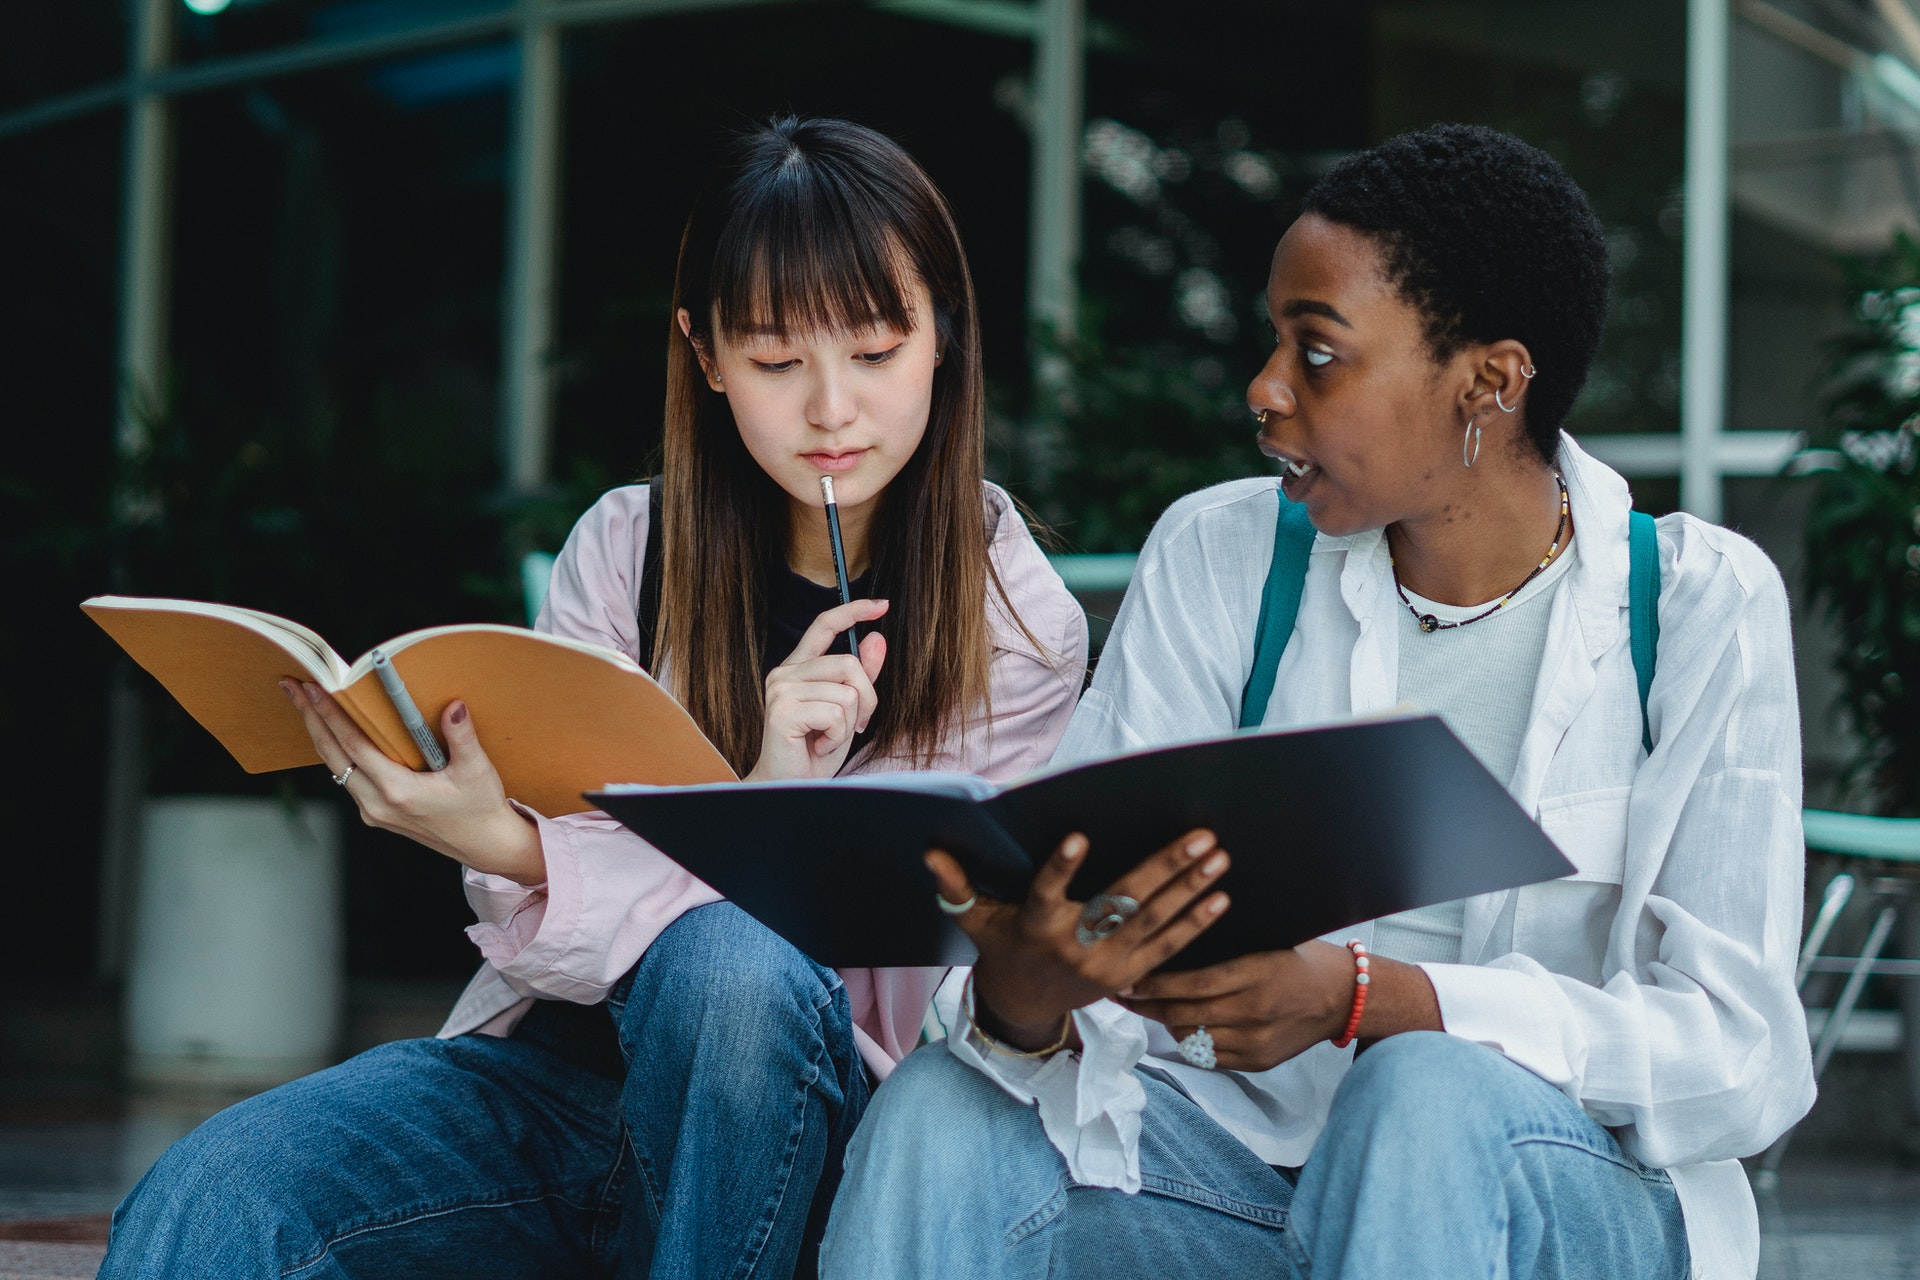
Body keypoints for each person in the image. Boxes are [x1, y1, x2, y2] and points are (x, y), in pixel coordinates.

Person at [822, 123, 1816, 1280]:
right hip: (1243, 1178)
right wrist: (1027, 993)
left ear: (1488, 381)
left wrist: (1373, 1001)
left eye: (1320, 351)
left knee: (1424, 1090)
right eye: (1271, 341)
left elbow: (1743, 1055)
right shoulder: (1220, 557)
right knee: (945, 1108)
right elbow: (1063, 936)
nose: (1265, 389)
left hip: (1565, 1197)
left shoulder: (1694, 606)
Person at [102, 115, 1087, 1280]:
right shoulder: (626, 547)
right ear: (706, 353)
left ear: (945, 340)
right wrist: (526, 838)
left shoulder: (1011, 619)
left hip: (811, 1127)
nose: (832, 408)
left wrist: (549, 851)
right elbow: (562, 931)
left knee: (729, 963)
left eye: (875, 350)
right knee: (214, 1195)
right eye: (776, 360)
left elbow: (923, 964)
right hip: (562, 1081)